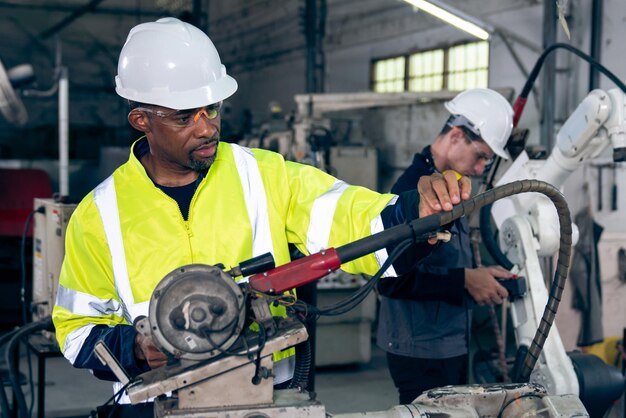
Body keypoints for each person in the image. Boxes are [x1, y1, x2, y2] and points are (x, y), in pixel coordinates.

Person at [51, 17, 469, 398]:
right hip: (158, 402)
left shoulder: (263, 175)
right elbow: (76, 331)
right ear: (141, 119)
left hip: (265, 397)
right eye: (184, 116)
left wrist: (414, 213)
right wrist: (137, 349)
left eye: (212, 108)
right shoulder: (99, 213)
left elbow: (347, 215)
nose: (207, 126)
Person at [377, 88, 515, 404]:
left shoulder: (449, 188)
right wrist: (465, 280)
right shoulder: (413, 193)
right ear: (455, 136)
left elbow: (440, 259)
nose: (481, 169)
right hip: (421, 350)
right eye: (480, 155)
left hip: (448, 343)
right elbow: (390, 281)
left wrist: (476, 274)